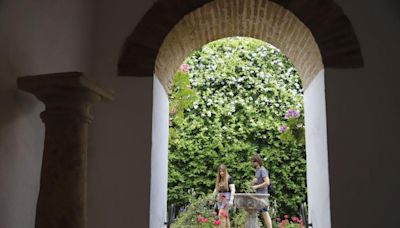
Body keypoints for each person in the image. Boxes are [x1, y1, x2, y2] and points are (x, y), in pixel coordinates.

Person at [251, 154, 273, 228]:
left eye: (253, 162)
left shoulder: (262, 170)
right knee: (264, 213)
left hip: (262, 195)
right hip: (258, 195)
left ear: (257, 161)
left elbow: (267, 182)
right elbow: (259, 180)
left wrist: (257, 186)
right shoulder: (257, 170)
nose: (252, 163)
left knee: (257, 213)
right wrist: (254, 182)